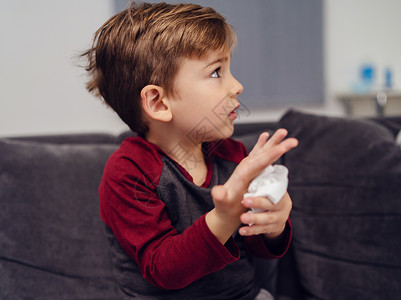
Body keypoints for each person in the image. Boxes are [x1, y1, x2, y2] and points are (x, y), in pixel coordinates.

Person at [82, 2, 298, 299]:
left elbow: (259, 248)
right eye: (216, 72)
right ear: (158, 103)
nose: (237, 85)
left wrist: (274, 223)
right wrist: (224, 217)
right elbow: (163, 269)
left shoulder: (232, 155)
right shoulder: (128, 171)